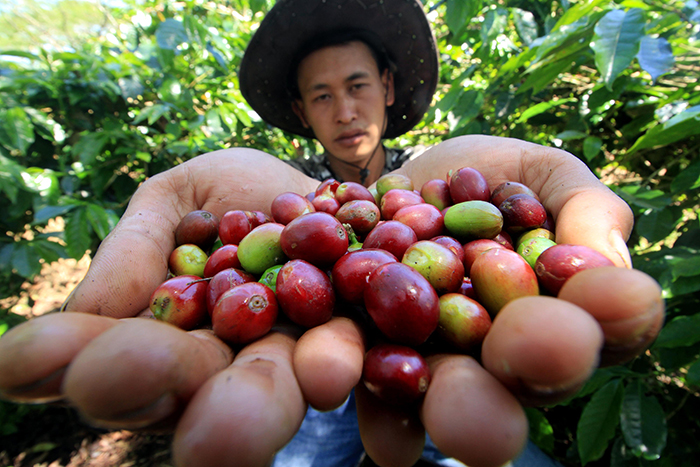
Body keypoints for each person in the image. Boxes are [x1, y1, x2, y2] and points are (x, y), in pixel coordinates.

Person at [0, 1, 664, 467]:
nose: (344, 110)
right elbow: (279, 255)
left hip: (436, 372)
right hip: (306, 383)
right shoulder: (277, 191)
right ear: (299, 110)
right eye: (321, 95)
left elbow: (431, 251)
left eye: (357, 85)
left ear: (388, 86)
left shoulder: (428, 177)